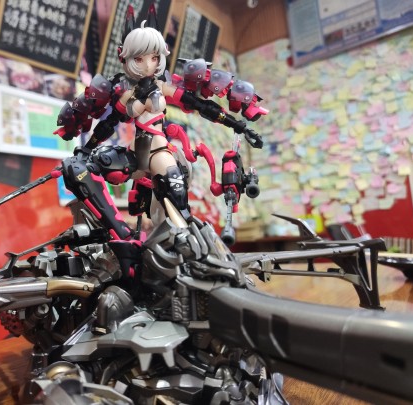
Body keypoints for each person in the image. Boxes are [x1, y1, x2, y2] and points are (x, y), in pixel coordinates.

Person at [54, 5, 267, 252]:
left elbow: (201, 106)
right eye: (139, 59)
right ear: (126, 58)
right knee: (79, 169)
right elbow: (109, 124)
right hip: (134, 154)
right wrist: (86, 149)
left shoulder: (163, 87)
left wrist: (238, 125)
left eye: (154, 58)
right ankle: (119, 234)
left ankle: (187, 243)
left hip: (158, 152)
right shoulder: (125, 92)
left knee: (177, 201)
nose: (148, 65)